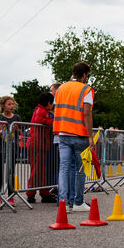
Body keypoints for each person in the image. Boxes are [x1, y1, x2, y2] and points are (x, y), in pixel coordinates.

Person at [53, 62, 95, 212]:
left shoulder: (61, 88)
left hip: (62, 133)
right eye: (87, 75)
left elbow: (57, 108)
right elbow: (86, 113)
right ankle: (78, 202)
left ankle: (63, 202)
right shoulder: (86, 90)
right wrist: (91, 136)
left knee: (64, 168)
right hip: (79, 134)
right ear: (84, 75)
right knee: (80, 169)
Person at [0, 96, 22, 210]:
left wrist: (17, 129)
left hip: (13, 148)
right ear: (3, 106)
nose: (12, 106)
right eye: (9, 104)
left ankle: (11, 196)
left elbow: (21, 131)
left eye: (13, 104)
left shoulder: (17, 117)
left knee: (11, 172)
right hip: (1, 148)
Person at [26, 92, 57, 204]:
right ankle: (31, 194)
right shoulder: (41, 111)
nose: (53, 105)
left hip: (40, 144)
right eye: (52, 102)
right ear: (48, 103)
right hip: (37, 144)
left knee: (41, 171)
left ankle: (44, 194)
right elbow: (39, 120)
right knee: (36, 171)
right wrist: (54, 122)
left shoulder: (42, 110)